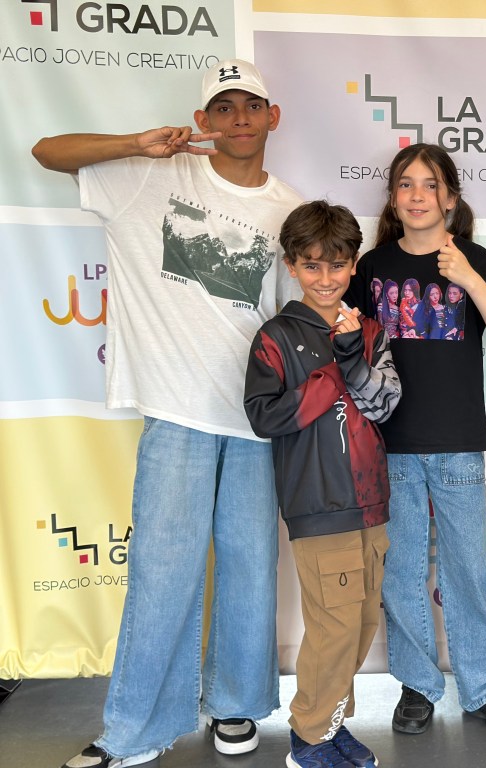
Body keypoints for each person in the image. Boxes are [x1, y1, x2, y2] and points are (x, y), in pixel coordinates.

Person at [32, 59, 301, 768]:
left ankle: (235, 705)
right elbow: (46, 152)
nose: (239, 118)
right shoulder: (149, 177)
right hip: (176, 412)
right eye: (224, 107)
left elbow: (293, 317)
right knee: (162, 571)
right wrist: (135, 144)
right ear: (203, 119)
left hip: (253, 419)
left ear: (273, 117)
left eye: (252, 105)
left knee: (250, 569)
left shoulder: (290, 209)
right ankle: (134, 730)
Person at [346, 143, 486, 738]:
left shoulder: (473, 258)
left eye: (430, 185)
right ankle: (417, 686)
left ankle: (485, 687)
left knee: (467, 570)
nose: (417, 195)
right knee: (400, 573)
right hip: (390, 444)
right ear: (392, 198)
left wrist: (467, 276)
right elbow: (347, 341)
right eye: (406, 184)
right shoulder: (373, 266)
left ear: (450, 198)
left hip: (457, 441)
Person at [244, 201, 401, 768]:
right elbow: (264, 415)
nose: (326, 278)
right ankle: (308, 739)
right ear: (291, 266)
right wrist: (334, 369)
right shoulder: (276, 336)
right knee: (334, 628)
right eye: (312, 265)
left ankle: (330, 725)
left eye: (337, 265)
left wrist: (353, 355)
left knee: (358, 626)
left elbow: (384, 405)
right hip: (318, 504)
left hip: (371, 503)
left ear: (354, 265)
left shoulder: (371, 331)